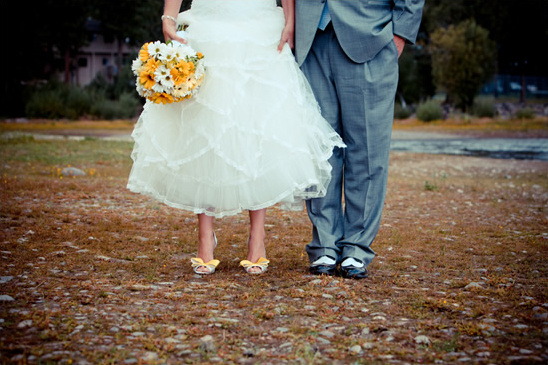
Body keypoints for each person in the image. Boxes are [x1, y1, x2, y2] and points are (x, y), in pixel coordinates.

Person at [127, 0, 344, 275]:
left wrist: (290, 22)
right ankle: (205, 237)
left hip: (260, 29)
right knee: (204, 127)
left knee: (258, 126)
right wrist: (168, 17)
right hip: (208, 25)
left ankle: (257, 237)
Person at [295, 0, 424, 279]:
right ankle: (324, 244)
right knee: (320, 148)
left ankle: (356, 247)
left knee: (367, 148)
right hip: (310, 38)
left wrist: (399, 34)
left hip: (371, 37)